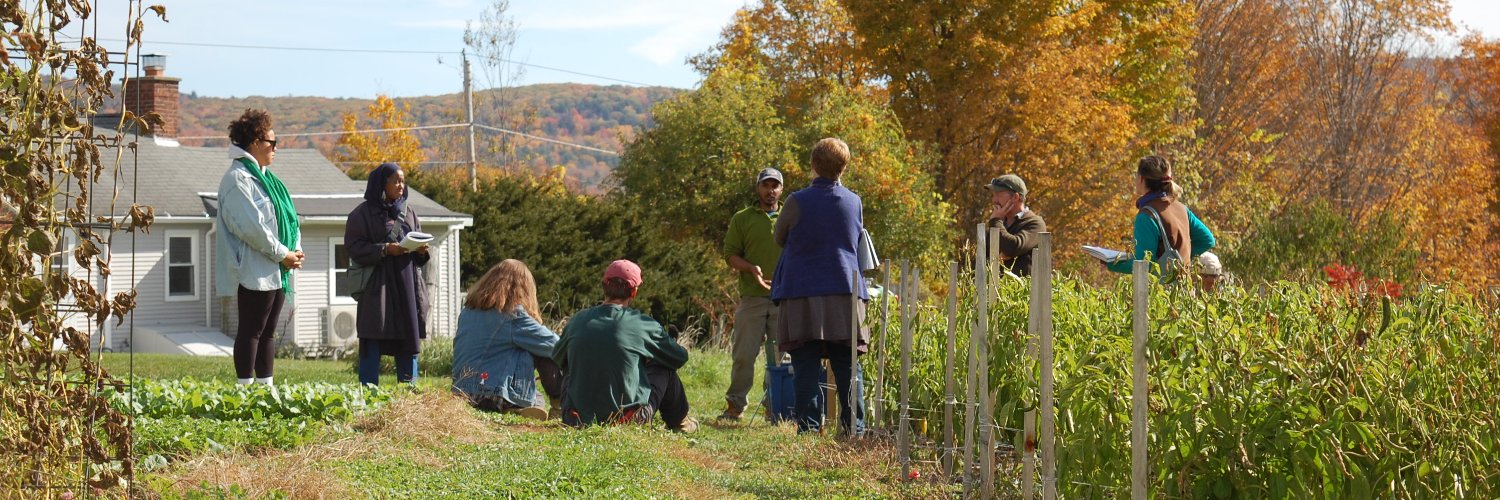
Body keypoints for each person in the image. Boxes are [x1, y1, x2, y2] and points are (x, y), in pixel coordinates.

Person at [770, 137, 868, 435]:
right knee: (847, 364)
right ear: (844, 167)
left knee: (806, 363)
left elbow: (779, 237)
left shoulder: (796, 201)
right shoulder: (854, 201)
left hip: (803, 289)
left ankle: (809, 428)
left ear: (813, 165)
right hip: (844, 290)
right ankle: (855, 429)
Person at [554, 260, 697, 432]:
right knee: (665, 367)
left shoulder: (577, 320)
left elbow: (557, 357)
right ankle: (680, 423)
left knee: (569, 362)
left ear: (604, 285)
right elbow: (679, 357)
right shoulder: (643, 324)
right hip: (626, 420)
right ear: (634, 292)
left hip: (574, 417)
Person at [215, 108, 303, 387]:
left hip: (276, 267)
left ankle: (265, 388)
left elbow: (288, 218)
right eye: (271, 142)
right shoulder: (238, 179)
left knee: (268, 332)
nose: (276, 148)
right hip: (252, 269)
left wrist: (295, 249)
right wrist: (283, 254)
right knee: (251, 330)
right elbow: (253, 228)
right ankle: (244, 389)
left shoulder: (269, 181)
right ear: (254, 142)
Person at [345, 163, 430, 385]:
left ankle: (408, 395)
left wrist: (421, 251)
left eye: (403, 181)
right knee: (373, 336)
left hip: (406, 287)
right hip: (377, 288)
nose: (401, 186)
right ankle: (368, 392)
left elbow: (418, 244)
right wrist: (384, 249)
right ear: (382, 183)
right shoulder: (361, 214)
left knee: (407, 336)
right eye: (396, 180)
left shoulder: (409, 213)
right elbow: (354, 247)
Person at [451, 259, 562, 420]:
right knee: (541, 348)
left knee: (535, 393)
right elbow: (555, 345)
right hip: (491, 394)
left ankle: (530, 405)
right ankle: (557, 406)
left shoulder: (467, 312)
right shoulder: (511, 315)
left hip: (462, 392)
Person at [718, 167, 784, 421]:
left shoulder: (789, 217)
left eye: (775, 186)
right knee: (744, 355)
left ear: (781, 189)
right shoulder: (743, 218)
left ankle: (775, 407)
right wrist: (750, 268)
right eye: (766, 185)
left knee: (781, 357)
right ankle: (735, 406)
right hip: (752, 297)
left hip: (783, 298)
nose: (770, 191)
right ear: (758, 188)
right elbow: (730, 255)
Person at [1105, 155, 1216, 279]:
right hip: (1185, 290)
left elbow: (1143, 264)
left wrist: (1110, 263)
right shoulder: (1181, 209)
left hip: (1160, 294)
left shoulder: (1146, 216)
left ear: (1142, 178)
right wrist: (1181, 258)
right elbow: (1208, 240)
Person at [983, 174, 1047, 276]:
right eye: (993, 195)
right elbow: (985, 259)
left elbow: (1013, 247)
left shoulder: (1035, 223)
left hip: (1023, 291)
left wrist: (996, 220)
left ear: (1015, 197)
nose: (994, 200)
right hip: (995, 290)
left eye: (998, 194)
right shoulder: (998, 224)